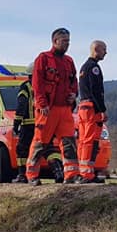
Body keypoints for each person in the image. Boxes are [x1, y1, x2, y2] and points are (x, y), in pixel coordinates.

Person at [26, 27, 79, 186]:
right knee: (40, 141)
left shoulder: (69, 61)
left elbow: (74, 82)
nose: (67, 44)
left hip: (65, 109)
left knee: (69, 142)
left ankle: (71, 175)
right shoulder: (43, 58)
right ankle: (32, 175)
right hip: (48, 109)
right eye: (64, 41)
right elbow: (37, 84)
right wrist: (42, 104)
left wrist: (73, 94)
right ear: (55, 41)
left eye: (68, 41)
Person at [76, 40, 108, 183]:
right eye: (104, 50)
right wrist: (102, 110)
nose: (106, 53)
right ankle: (87, 174)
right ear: (96, 49)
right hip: (91, 108)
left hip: (83, 107)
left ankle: (82, 171)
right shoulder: (94, 67)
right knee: (91, 141)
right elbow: (96, 91)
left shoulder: (84, 67)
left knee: (83, 140)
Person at [12, 64, 35, 183]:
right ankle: (58, 172)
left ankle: (22, 175)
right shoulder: (45, 86)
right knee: (48, 149)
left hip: (28, 124)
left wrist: (16, 123)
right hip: (44, 124)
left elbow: (22, 105)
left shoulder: (25, 87)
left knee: (22, 149)